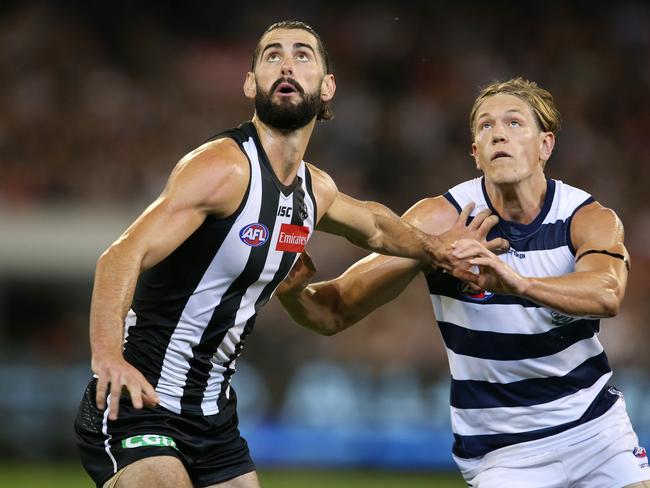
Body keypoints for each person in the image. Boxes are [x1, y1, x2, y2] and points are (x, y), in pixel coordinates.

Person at [73, 20, 506, 488]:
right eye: (271, 55)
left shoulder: (314, 190)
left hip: (213, 417)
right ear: (250, 82)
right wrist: (108, 358)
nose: (286, 63)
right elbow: (119, 256)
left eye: (303, 55)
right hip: (139, 401)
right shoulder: (221, 167)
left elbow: (378, 227)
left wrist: (443, 251)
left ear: (327, 87)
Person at [277, 78, 650, 488]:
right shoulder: (439, 223)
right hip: (503, 453)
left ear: (546, 145)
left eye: (514, 122)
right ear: (476, 153)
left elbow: (607, 293)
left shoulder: (586, 218)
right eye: (486, 126)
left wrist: (515, 283)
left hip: (595, 432)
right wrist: (293, 294)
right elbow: (333, 312)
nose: (499, 134)